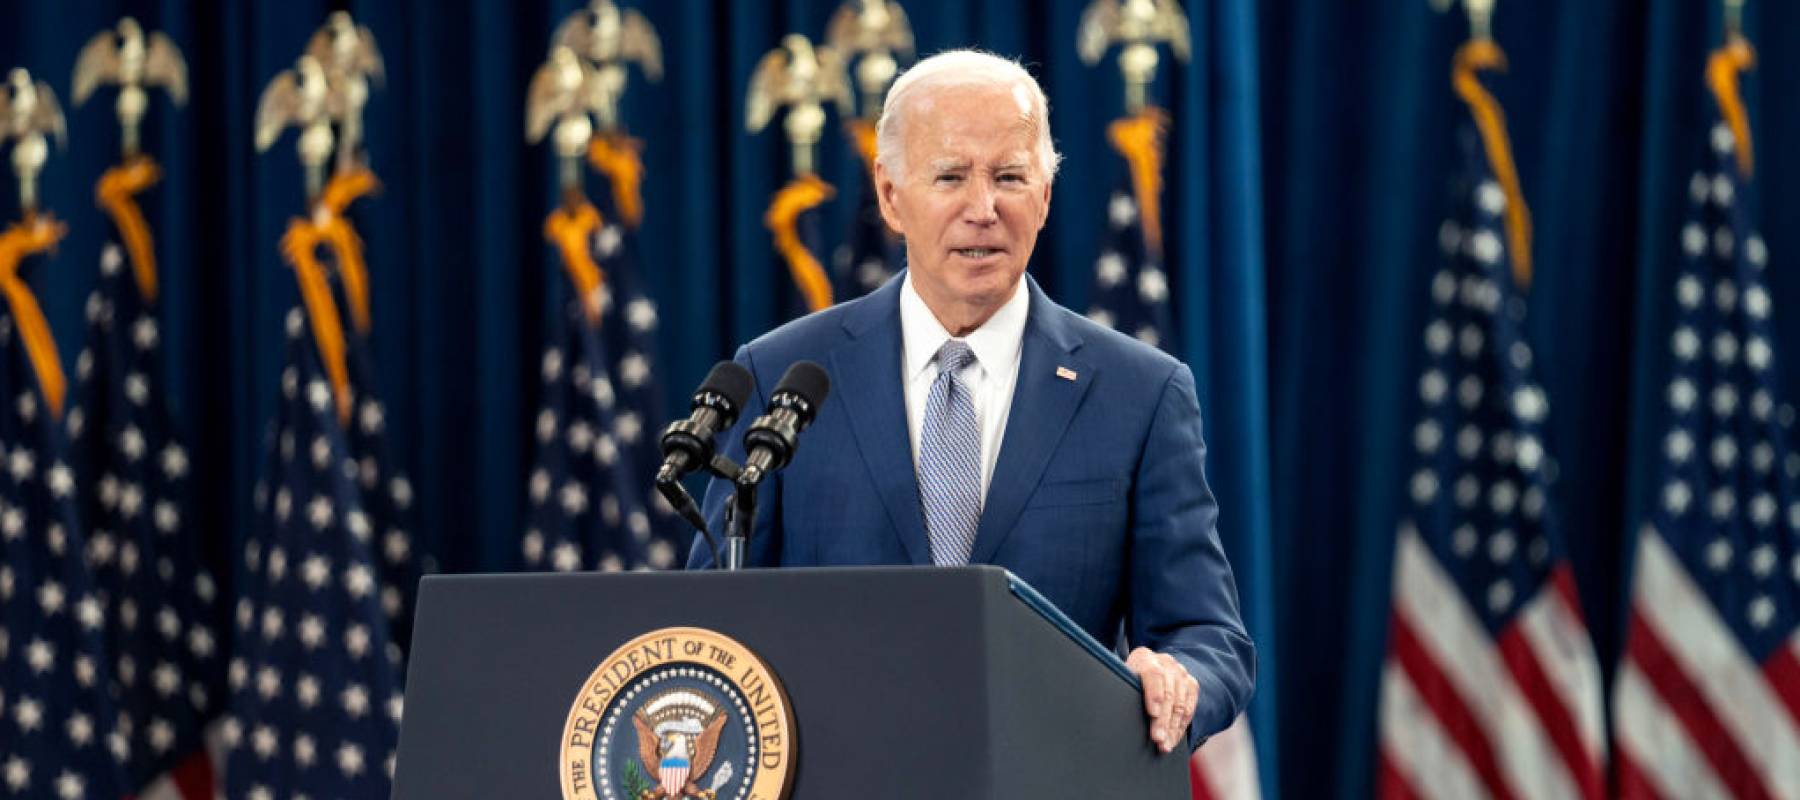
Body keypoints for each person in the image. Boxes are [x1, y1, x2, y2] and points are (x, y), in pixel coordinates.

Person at [688, 49, 1253, 754]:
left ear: (1044, 196)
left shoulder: (1140, 393)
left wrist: (1176, 677)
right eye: (951, 176)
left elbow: (1207, 634)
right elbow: (709, 626)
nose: (983, 209)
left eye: (1010, 177)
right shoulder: (782, 376)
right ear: (891, 195)